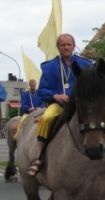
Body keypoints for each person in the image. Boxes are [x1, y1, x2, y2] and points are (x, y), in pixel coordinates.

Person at [27, 33, 92, 176]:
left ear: (74, 46)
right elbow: (42, 90)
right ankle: (39, 157)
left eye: (69, 44)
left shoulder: (86, 65)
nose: (66, 47)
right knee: (47, 118)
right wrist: (55, 95)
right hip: (59, 105)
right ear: (58, 47)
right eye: (63, 45)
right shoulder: (49, 67)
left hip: (81, 106)